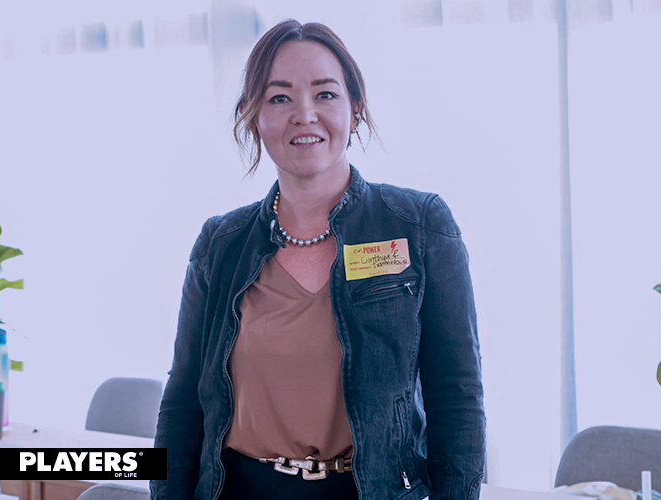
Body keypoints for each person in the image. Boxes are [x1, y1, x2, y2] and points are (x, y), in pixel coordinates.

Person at [152, 19, 485, 500]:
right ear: (252, 115)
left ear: (355, 107)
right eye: (279, 98)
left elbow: (457, 400)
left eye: (325, 94)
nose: (304, 115)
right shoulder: (220, 244)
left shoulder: (419, 227)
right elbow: (182, 406)